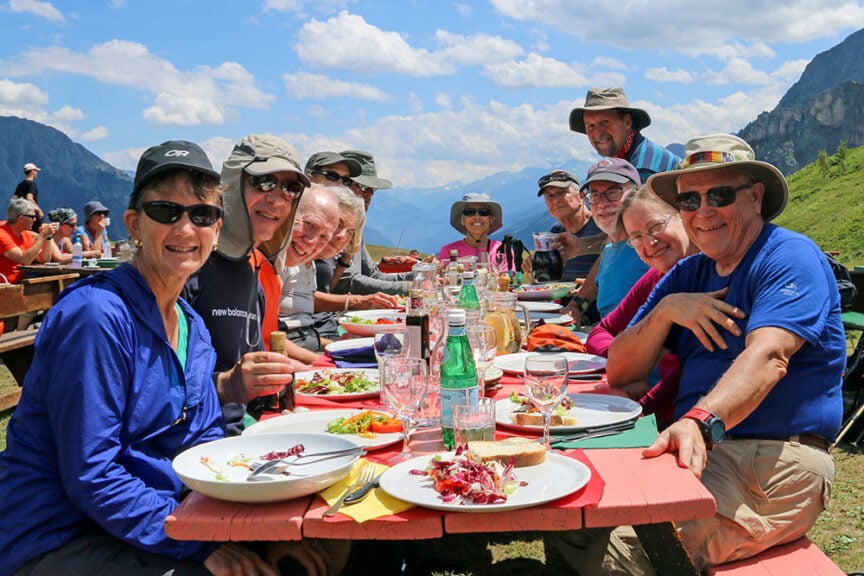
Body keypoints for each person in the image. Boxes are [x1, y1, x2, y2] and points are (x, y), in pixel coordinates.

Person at [0, 140, 333, 576]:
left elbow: (205, 443)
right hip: (59, 536)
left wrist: (248, 525)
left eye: (202, 215)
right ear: (134, 224)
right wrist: (197, 543)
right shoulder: (97, 316)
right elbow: (92, 473)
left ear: (216, 228)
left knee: (316, 544)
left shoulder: (190, 324)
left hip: (150, 518)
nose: (185, 229)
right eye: (165, 212)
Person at [575, 134, 843, 573]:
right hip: (700, 449)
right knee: (581, 520)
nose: (703, 211)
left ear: (756, 197)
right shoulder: (689, 272)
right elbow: (621, 369)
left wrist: (700, 423)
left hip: (773, 458)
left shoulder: (789, 257)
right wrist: (664, 313)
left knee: (630, 547)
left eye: (719, 195)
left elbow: (770, 356)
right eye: (690, 200)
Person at [183, 134, 311, 436]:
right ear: (230, 184)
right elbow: (156, 389)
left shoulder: (253, 271)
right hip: (196, 452)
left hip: (239, 436)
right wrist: (227, 384)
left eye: (290, 188)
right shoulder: (190, 267)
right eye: (264, 182)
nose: (277, 198)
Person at [585, 185, 698, 426]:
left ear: (682, 217)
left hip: (682, 421)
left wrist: (638, 406)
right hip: (663, 414)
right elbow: (600, 332)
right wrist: (627, 364)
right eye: (636, 237)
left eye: (656, 226)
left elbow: (685, 374)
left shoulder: (708, 276)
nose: (650, 242)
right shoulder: (658, 277)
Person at [557, 158, 648, 323]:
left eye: (613, 192)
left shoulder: (651, 246)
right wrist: (576, 306)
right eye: (595, 195)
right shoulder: (610, 248)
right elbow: (600, 273)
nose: (603, 204)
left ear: (636, 194)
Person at [329, 149, 415, 296]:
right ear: (343, 184)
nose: (370, 193)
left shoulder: (356, 225)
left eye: (372, 188)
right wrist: (410, 287)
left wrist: (422, 275)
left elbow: (374, 276)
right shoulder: (330, 227)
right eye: (363, 186)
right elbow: (349, 282)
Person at [274, 184, 341, 362]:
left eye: (324, 237)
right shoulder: (268, 263)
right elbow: (268, 339)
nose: (311, 242)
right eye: (309, 224)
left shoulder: (301, 262)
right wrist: (323, 366)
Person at [568, 87, 680, 183]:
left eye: (605, 122)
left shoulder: (645, 169)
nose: (597, 133)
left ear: (627, 122)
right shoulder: (636, 154)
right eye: (590, 125)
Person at [533, 169, 605, 284]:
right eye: (550, 196)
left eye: (562, 192)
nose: (556, 200)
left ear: (581, 195)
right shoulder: (556, 232)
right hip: (565, 300)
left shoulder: (602, 225)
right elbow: (550, 283)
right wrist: (535, 272)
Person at [437, 193, 508, 266]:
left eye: (483, 212)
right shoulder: (448, 252)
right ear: (462, 220)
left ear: (491, 219)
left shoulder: (503, 251)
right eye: (469, 212)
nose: (477, 217)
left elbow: (506, 277)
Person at [0, 198, 56, 284]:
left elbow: (44, 259)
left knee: (55, 278)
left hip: (19, 281)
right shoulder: (2, 234)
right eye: (32, 217)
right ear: (21, 218)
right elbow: (24, 259)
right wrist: (42, 236)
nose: (35, 220)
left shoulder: (24, 234)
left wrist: (48, 237)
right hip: (5, 285)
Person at [13, 162, 44, 230]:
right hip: (31, 214)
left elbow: (14, 199)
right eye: (36, 171)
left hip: (21, 214)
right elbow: (29, 197)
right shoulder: (32, 184)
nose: (37, 173)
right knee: (40, 232)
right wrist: (39, 210)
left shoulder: (20, 184)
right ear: (32, 171)